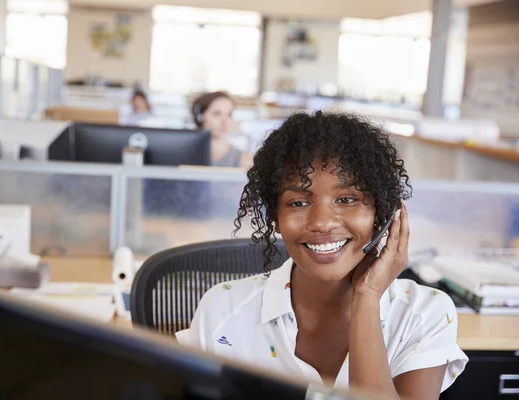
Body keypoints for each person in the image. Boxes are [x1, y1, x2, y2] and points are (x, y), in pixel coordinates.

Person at [176, 111, 467, 399]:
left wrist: (367, 298)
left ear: (383, 214)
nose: (322, 222)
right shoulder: (223, 309)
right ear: (275, 217)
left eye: (347, 199)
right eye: (298, 202)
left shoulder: (423, 314)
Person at [191, 91, 252, 168]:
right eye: (217, 114)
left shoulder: (244, 160)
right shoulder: (183, 154)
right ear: (200, 117)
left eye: (229, 115)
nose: (225, 122)